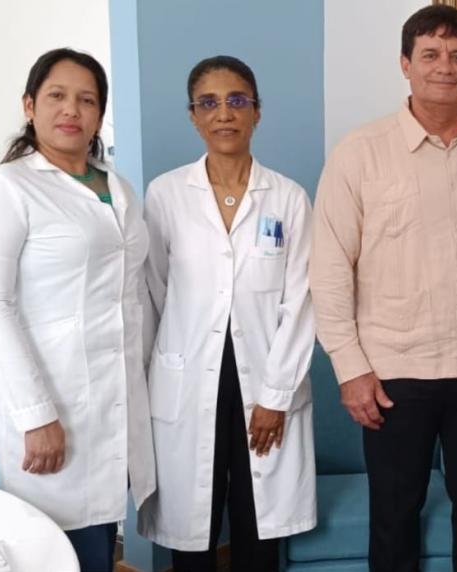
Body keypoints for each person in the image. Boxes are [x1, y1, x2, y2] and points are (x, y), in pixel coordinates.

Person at [309, 5, 457, 571]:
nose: (446, 67)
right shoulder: (359, 153)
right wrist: (350, 369)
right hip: (393, 370)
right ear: (405, 64)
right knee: (394, 516)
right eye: (431, 54)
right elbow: (329, 270)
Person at [0, 48, 156, 572]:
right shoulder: (5, 188)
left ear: (99, 114)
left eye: (87, 100)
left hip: (115, 399)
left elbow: (130, 296)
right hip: (52, 402)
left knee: (98, 538)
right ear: (30, 106)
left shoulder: (117, 187)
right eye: (57, 96)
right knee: (53, 547)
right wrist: (37, 414)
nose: (72, 109)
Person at [137, 55, 316, 572]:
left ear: (257, 111)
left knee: (257, 526)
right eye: (209, 103)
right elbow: (155, 291)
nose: (224, 113)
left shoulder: (287, 198)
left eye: (237, 100)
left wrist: (276, 396)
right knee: (191, 527)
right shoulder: (166, 195)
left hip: (265, 378)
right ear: (193, 116)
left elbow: (301, 302)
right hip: (189, 378)